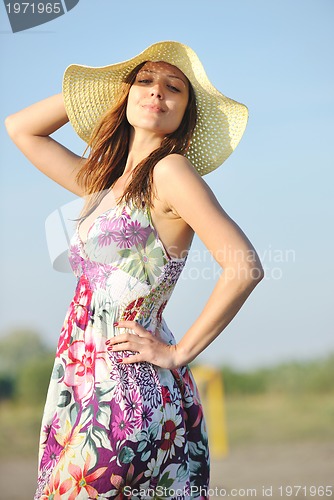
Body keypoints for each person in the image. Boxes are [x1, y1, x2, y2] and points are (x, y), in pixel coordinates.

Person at [5, 41, 264, 500]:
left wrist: (179, 353)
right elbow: (21, 129)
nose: (156, 94)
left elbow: (243, 266)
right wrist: (104, 89)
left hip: (126, 394)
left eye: (173, 88)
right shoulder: (103, 184)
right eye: (144, 82)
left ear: (186, 111)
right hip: (80, 383)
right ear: (124, 96)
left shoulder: (170, 171)